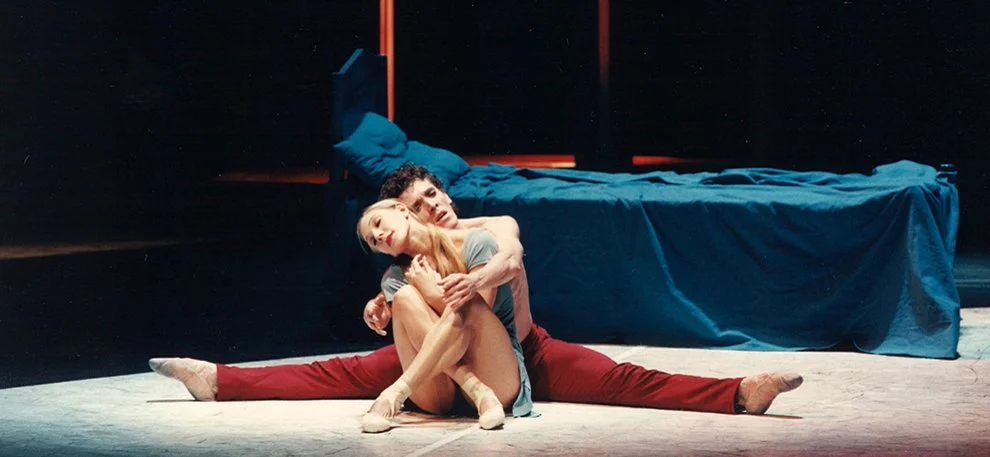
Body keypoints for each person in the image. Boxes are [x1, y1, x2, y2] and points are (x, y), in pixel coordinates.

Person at [150, 165, 802, 421]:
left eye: (433, 192)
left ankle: (739, 393)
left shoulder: (491, 225)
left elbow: (511, 256)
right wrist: (385, 304)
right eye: (416, 204)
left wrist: (480, 278)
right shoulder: (405, 265)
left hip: (520, 351)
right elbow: (400, 299)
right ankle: (219, 380)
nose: (432, 204)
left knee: (623, 379)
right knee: (338, 370)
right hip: (438, 356)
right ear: (401, 220)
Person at [354, 198, 532, 432]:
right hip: (439, 393)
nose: (379, 235)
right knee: (404, 296)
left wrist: (432, 293)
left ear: (401, 209)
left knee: (467, 298)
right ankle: (477, 390)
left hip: (495, 371)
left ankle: (394, 394)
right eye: (373, 241)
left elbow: (477, 317)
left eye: (378, 223)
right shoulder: (394, 278)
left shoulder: (476, 241)